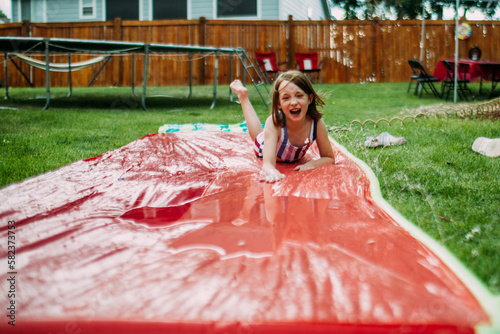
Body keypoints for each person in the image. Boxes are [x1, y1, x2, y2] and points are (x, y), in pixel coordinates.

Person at [230, 70, 335, 183]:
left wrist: (313, 164)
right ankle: (243, 97)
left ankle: (244, 97)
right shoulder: (275, 122)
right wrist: (272, 171)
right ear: (279, 103)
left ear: (309, 98)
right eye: (286, 98)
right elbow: (267, 164)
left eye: (299, 96)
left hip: (281, 145)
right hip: (264, 147)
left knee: (262, 133)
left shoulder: (317, 124)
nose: (293, 102)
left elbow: (329, 158)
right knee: (258, 136)